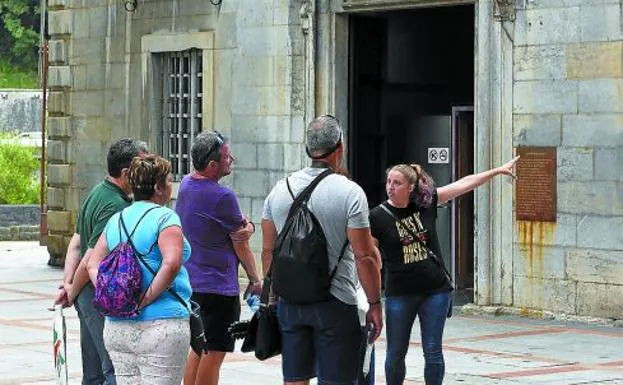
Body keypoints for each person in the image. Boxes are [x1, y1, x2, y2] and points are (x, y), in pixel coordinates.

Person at [369, 158, 519, 385]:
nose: (390, 186)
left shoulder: (426, 204)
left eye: (397, 183)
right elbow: (369, 256)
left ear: (410, 187)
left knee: (432, 351)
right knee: (395, 353)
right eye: (389, 181)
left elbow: (464, 184)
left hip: (435, 290)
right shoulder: (377, 216)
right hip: (399, 293)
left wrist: (497, 171)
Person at [261, 115, 383, 385]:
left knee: (294, 379)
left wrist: (271, 300)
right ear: (340, 147)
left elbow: (268, 251)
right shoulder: (350, 193)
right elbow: (365, 256)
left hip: (290, 302)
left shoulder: (279, 190)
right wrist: (375, 303)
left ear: (308, 149)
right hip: (336, 301)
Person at [83, 155, 192, 385]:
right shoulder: (165, 218)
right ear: (158, 187)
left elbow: (92, 263)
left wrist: (108, 290)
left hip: (117, 326)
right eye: (170, 180)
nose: (172, 186)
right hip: (162, 324)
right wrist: (146, 297)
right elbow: (171, 263)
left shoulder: (116, 220)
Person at [52, 138, 147, 385]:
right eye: (143, 165)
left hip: (86, 291)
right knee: (113, 368)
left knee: (93, 370)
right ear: (127, 173)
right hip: (98, 293)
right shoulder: (114, 205)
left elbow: (75, 243)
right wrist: (70, 290)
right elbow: (89, 258)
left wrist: (68, 283)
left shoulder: (97, 192)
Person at [177, 131, 261, 385]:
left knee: (199, 347)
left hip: (192, 283)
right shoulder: (223, 197)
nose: (231, 159)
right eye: (226, 157)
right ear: (213, 166)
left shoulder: (186, 185)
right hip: (218, 287)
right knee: (215, 353)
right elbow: (241, 241)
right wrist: (255, 279)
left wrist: (246, 226)